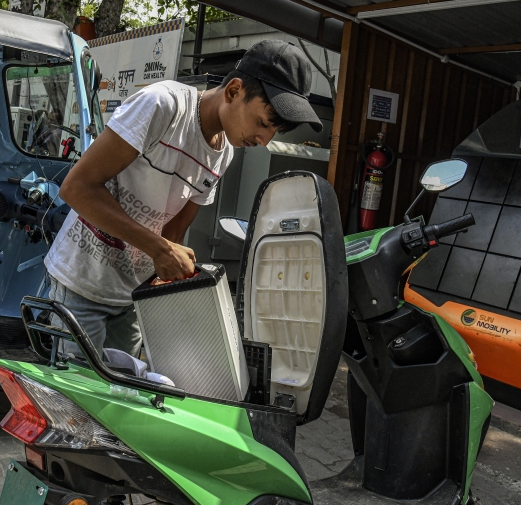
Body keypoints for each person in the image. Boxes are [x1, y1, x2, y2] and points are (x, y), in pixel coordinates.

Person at [44, 39, 322, 356]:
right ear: (233, 91)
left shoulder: (222, 154)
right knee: (75, 397)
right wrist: (159, 249)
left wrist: (171, 289)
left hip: (132, 295)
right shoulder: (163, 106)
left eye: (274, 132)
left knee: (125, 393)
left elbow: (172, 234)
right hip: (83, 282)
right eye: (261, 123)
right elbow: (77, 188)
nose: (263, 139)